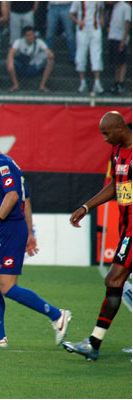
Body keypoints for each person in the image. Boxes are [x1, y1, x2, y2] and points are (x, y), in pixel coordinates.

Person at [0, 130, 71, 348]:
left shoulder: (3, 165)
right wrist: (29, 231)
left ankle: (57, 315)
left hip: (10, 229)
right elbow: (26, 197)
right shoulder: (6, 165)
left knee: (8, 286)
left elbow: (13, 195)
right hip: (7, 228)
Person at [62, 111, 131, 361]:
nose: (103, 139)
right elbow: (115, 186)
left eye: (105, 133)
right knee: (115, 282)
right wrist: (86, 207)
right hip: (127, 228)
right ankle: (93, 343)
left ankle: (94, 343)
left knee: (114, 280)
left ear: (120, 129)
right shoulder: (117, 153)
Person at [69, 1, 105, 94]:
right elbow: (71, 13)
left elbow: (102, 8)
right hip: (82, 30)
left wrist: (101, 18)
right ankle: (82, 83)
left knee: (96, 54)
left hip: (95, 29)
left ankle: (97, 82)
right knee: (81, 55)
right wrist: (78, 21)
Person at [6, 26, 55, 92]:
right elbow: (11, 52)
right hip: (21, 67)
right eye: (28, 35)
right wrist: (11, 63)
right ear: (24, 36)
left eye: (32, 35)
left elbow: (51, 54)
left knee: (50, 61)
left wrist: (39, 57)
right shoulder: (19, 42)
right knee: (9, 61)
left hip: (33, 66)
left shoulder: (39, 42)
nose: (31, 37)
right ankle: (16, 85)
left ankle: (42, 86)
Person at [106, 1, 131, 94]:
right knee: (115, 61)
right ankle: (116, 82)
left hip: (120, 37)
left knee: (122, 61)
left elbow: (127, 24)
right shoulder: (114, 7)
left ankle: (121, 82)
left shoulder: (126, 7)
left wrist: (124, 40)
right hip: (113, 36)